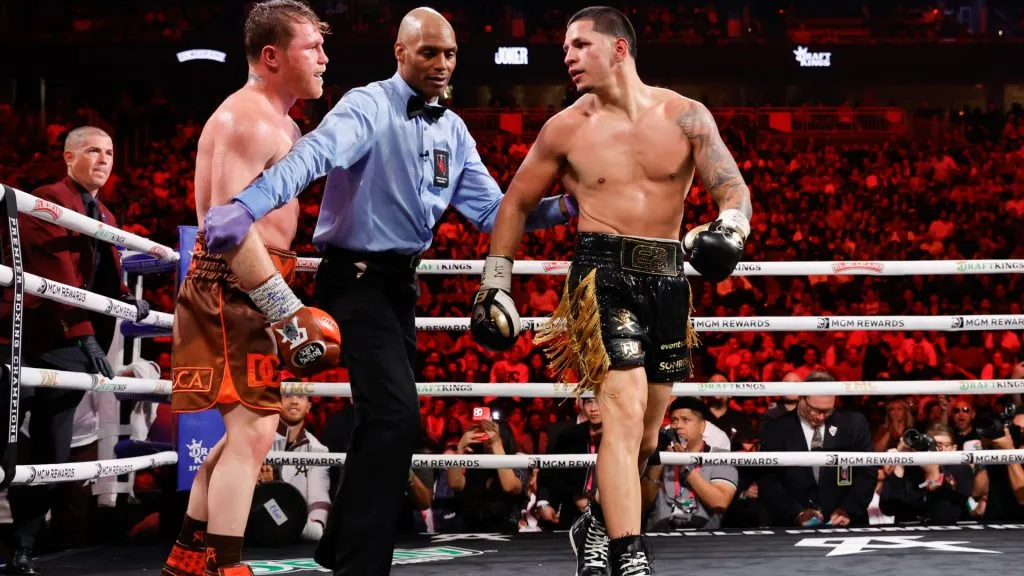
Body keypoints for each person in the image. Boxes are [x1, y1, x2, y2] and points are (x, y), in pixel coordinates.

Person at [200, 7, 576, 575]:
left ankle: (338, 544)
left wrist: (570, 207)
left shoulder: (452, 129)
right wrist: (247, 205)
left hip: (400, 287)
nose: (441, 64)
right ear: (400, 53)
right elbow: (313, 156)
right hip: (353, 280)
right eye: (429, 52)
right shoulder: (367, 105)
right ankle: (361, 564)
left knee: (392, 421)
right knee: (394, 416)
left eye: (449, 54)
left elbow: (494, 212)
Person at [471, 7, 752, 575]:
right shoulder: (566, 127)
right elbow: (516, 203)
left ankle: (595, 523)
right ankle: (629, 554)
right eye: (566, 49)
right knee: (621, 414)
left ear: (618, 49)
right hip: (602, 276)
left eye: (580, 45)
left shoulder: (686, 116)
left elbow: (732, 188)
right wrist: (496, 282)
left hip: (669, 279)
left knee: (648, 433)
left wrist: (732, 228)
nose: (568, 57)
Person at [161, 2, 341, 575]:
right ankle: (227, 567)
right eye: (311, 47)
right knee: (257, 431)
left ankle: (189, 557)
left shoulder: (282, 123)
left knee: (246, 430)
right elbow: (227, 229)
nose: (323, 58)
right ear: (271, 56)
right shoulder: (248, 119)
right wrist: (286, 310)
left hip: (252, 289)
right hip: (233, 289)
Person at [0, 125, 150, 575]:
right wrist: (85, 333)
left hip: (66, 340)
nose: (103, 159)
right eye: (92, 151)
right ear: (69, 157)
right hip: (22, 328)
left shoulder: (103, 212)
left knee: (54, 446)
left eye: (109, 152)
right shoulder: (46, 198)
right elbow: (57, 273)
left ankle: (23, 546)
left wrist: (124, 298)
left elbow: (100, 273)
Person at [758, 372, 875, 527]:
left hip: (847, 524)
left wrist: (848, 509)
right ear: (802, 399)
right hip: (790, 527)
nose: (820, 417)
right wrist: (796, 514)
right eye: (815, 410)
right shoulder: (776, 429)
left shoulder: (854, 425)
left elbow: (867, 472)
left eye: (827, 411)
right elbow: (769, 481)